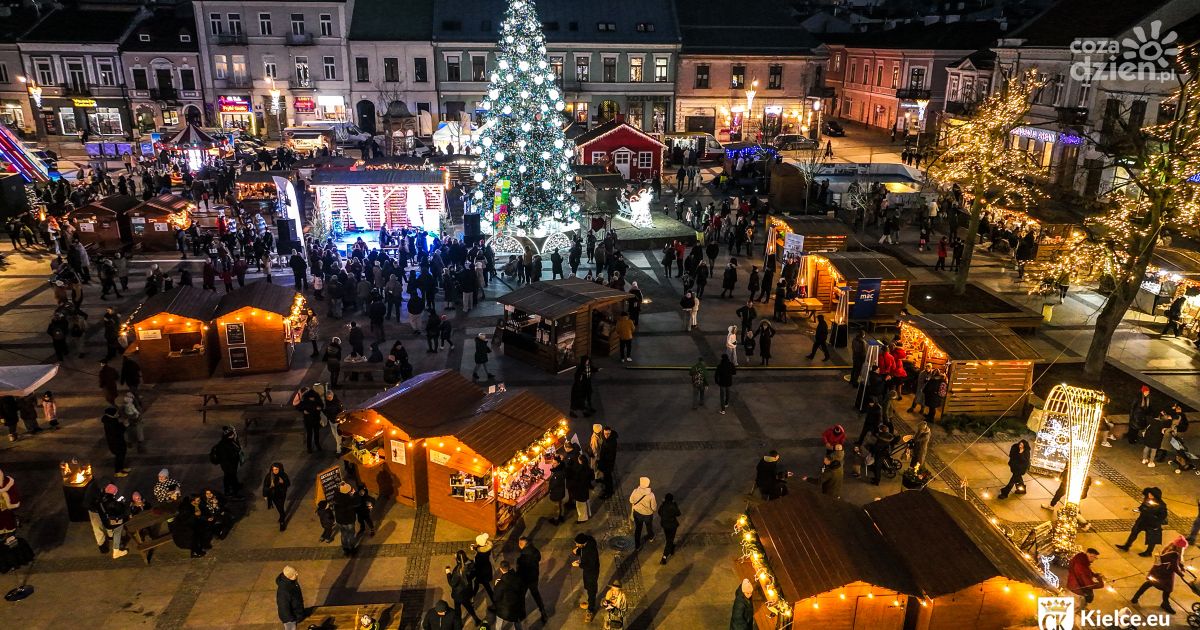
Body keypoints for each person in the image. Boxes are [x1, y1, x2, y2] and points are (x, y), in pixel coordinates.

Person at [1130, 536, 1187, 613]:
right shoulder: (1174, 554)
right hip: (1164, 574)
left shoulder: (1170, 549)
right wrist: (1181, 573)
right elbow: (1174, 566)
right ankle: (1165, 603)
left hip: (1158, 571)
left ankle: (1135, 597)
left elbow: (1176, 563)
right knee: (1167, 589)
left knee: (1149, 583)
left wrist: (1181, 566)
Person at [1117, 487, 1168, 557]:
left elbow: (1162, 516)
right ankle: (1127, 546)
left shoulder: (1161, 505)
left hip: (1152, 523)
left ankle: (1148, 552)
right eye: (1149, 494)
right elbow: (1142, 507)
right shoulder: (1147, 499)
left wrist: (1152, 516)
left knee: (1152, 538)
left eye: (1151, 494)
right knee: (1134, 532)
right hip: (1142, 520)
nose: (1149, 495)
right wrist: (1139, 509)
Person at [516, 536, 548, 621]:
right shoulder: (535, 551)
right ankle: (543, 611)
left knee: (521, 596)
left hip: (524, 579)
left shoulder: (522, 557)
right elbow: (539, 558)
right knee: (536, 594)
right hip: (534, 577)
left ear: (521, 544)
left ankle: (522, 614)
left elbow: (519, 571)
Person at [446, 550, 482, 625]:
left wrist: (448, 573)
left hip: (458, 594)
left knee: (457, 609)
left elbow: (452, 583)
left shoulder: (457, 572)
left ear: (459, 559)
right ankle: (476, 619)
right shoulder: (471, 563)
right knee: (468, 606)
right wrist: (457, 559)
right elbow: (470, 571)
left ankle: (459, 624)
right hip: (467, 591)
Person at [573, 533, 601, 623]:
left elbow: (590, 565)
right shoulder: (586, 543)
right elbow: (581, 551)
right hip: (587, 571)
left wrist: (579, 565)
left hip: (592, 572)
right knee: (588, 587)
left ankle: (591, 609)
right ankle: (590, 603)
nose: (576, 545)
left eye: (577, 544)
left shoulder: (591, 551)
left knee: (591, 589)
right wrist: (577, 551)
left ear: (583, 543)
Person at [210, 426, 245, 497]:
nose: (234, 435)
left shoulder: (230, 441)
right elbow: (227, 457)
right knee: (230, 477)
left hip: (231, 464)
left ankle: (235, 486)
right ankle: (231, 492)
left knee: (231, 476)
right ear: (228, 436)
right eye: (232, 434)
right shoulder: (224, 445)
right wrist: (236, 453)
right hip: (228, 465)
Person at [492, 560, 526, 630]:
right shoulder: (518, 577)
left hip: (504, 611)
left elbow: (496, 598)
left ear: (501, 569)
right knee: (517, 623)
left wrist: (496, 586)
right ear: (510, 567)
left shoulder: (500, 584)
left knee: (499, 621)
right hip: (516, 609)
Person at [629, 476, 657, 550]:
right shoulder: (651, 495)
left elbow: (631, 500)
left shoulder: (635, 491)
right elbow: (654, 507)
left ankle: (637, 545)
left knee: (638, 529)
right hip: (647, 515)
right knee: (649, 527)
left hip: (637, 514)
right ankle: (651, 537)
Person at [101, 406, 130, 477]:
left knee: (122, 454)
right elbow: (118, 431)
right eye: (116, 413)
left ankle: (122, 468)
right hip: (115, 443)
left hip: (119, 441)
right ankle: (117, 472)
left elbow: (117, 427)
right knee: (119, 456)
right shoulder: (110, 423)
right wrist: (125, 425)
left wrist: (122, 424)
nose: (118, 414)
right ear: (112, 414)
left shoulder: (112, 419)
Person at [262, 462, 290, 531]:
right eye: (273, 469)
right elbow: (265, 486)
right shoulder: (269, 476)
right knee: (279, 507)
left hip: (281, 494)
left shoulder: (284, 475)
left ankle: (282, 522)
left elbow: (288, 484)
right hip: (273, 495)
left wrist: (283, 482)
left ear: (280, 469)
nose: (275, 471)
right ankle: (282, 515)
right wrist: (265, 495)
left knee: (280, 506)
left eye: (277, 469)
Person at [276, 565, 306, 630]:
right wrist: (291, 619)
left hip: (296, 613)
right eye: (294, 573)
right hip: (290, 619)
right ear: (289, 576)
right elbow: (283, 608)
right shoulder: (284, 591)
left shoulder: (291, 582)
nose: (297, 574)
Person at [332, 482, 358, 556]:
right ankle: (352, 549)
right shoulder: (349, 499)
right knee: (351, 534)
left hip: (340, 520)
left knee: (343, 534)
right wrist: (353, 495)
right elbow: (356, 503)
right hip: (349, 520)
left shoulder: (336, 497)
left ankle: (345, 548)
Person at [471, 532, 496, 603]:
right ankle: (494, 601)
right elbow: (481, 548)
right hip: (487, 570)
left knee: (478, 584)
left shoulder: (480, 555)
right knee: (487, 586)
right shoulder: (488, 547)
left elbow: (476, 563)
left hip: (481, 573)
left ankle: (473, 597)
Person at [658, 492, 681, 564]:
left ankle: (671, 548)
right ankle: (664, 557)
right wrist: (675, 504)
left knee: (668, 538)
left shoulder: (663, 506)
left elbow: (659, 513)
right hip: (672, 526)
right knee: (669, 540)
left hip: (665, 525)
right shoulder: (673, 506)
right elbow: (678, 513)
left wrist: (663, 503)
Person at [596, 426, 619, 499]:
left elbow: (611, 456)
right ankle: (607, 489)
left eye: (608, 434)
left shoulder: (612, 442)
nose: (606, 435)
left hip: (608, 464)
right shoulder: (606, 439)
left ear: (610, 433)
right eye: (605, 434)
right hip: (604, 462)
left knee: (608, 478)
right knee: (606, 477)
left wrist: (603, 462)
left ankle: (609, 491)